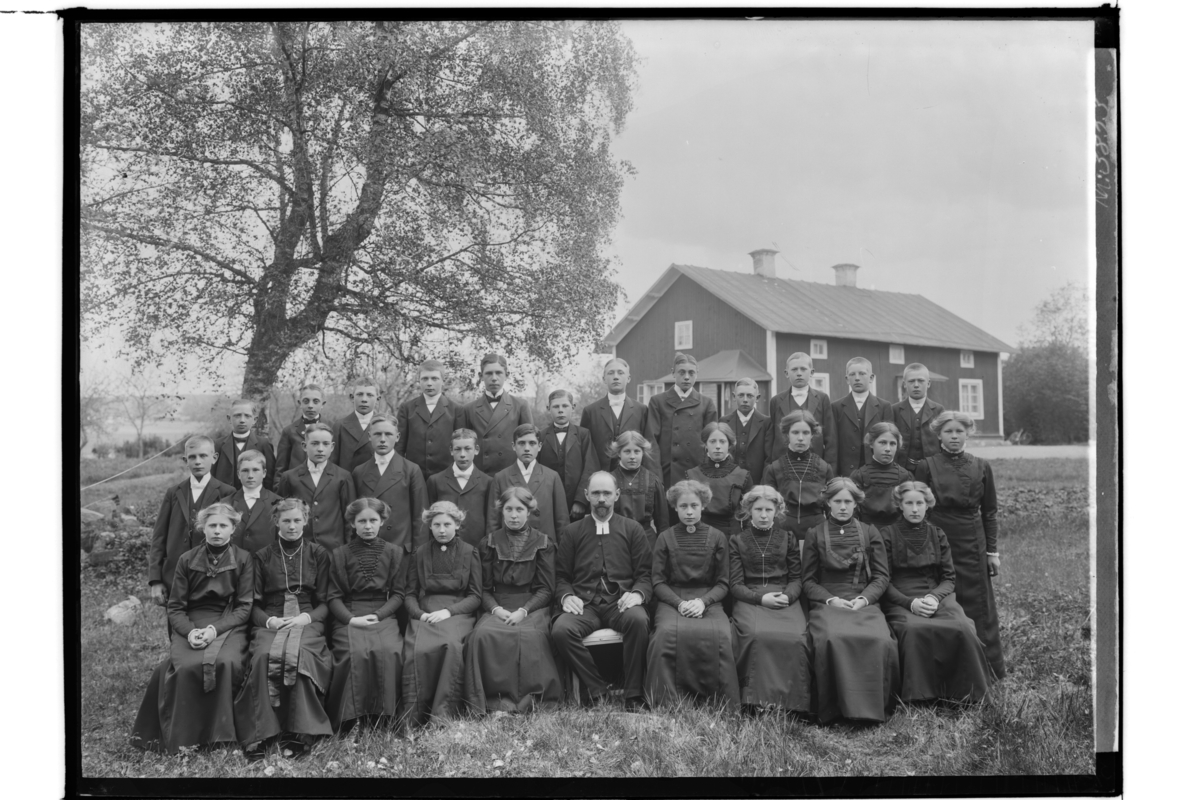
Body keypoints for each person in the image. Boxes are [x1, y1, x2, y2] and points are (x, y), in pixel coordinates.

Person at [130, 503, 253, 753]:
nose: (217, 531)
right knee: (185, 666)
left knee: (226, 662)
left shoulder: (243, 558)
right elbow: (176, 607)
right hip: (192, 621)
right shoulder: (186, 559)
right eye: (212, 525)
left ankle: (221, 736)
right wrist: (190, 632)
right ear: (202, 528)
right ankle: (185, 737)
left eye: (223, 526)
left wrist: (214, 631)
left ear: (233, 529)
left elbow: (244, 607)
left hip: (227, 622)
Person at [234, 498, 334, 759]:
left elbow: (326, 603)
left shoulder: (318, 554)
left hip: (307, 617)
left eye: (297, 520)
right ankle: (262, 731)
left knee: (300, 654)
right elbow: (252, 605)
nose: (292, 526)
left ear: (305, 521)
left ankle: (300, 730)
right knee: (264, 655)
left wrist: (306, 618)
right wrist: (270, 622)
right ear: (276, 521)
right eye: (286, 520)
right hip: (272, 617)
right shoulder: (262, 556)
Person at [879, 482, 993, 703]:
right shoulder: (886, 535)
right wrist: (911, 603)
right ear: (900, 505)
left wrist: (933, 597)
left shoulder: (938, 534)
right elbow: (883, 581)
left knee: (962, 627)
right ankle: (920, 697)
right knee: (913, 629)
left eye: (919, 503)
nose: (915, 509)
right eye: (909, 503)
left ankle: (966, 694)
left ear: (927, 505)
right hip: (901, 598)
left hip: (937, 594)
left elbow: (949, 578)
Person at [913, 411, 1006, 679]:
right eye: (948, 431)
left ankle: (986, 668)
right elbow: (917, 509)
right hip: (937, 538)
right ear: (938, 435)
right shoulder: (926, 466)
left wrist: (992, 552)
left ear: (968, 434)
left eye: (959, 431)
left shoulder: (981, 466)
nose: (954, 436)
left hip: (972, 540)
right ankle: (945, 671)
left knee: (979, 603)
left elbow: (989, 512)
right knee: (940, 597)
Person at [801, 477, 899, 724]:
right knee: (831, 638)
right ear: (828, 503)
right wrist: (830, 600)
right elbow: (808, 581)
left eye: (848, 501)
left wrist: (864, 600)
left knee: (880, 639)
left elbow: (881, 576)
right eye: (837, 501)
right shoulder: (814, 534)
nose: (843, 507)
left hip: (862, 600)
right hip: (828, 602)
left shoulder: (869, 532)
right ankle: (835, 710)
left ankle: (872, 709)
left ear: (856, 503)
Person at [552, 472, 653, 711]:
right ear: (586, 495)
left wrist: (637, 594)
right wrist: (567, 596)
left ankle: (634, 695)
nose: (601, 499)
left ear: (616, 495)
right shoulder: (572, 531)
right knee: (561, 630)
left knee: (638, 620)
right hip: (585, 605)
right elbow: (562, 576)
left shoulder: (633, 529)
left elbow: (645, 575)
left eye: (606, 493)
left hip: (620, 603)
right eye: (596, 493)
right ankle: (597, 690)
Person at [464, 487, 563, 713]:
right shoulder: (488, 542)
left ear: (529, 512)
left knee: (532, 637)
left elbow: (546, 589)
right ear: (502, 511)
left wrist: (524, 611)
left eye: (520, 509)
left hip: (533, 606)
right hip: (497, 604)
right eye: (509, 509)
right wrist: (496, 609)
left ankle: (532, 702)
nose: (514, 515)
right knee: (482, 635)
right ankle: (493, 702)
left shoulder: (543, 543)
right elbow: (482, 588)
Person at [644, 480, 739, 709]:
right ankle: (667, 701)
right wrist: (679, 603)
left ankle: (718, 701)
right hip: (671, 599)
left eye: (694, 506)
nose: (689, 512)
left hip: (709, 600)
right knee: (665, 634)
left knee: (722, 635)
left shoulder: (718, 537)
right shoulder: (665, 537)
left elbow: (723, 583)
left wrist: (703, 602)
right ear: (675, 507)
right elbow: (658, 581)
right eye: (683, 506)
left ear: (703, 506)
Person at [325, 498, 407, 731]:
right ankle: (350, 719)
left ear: (382, 521)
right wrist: (351, 619)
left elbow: (398, 594)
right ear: (353, 523)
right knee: (354, 653)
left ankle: (384, 717)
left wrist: (379, 615)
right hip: (349, 613)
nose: (368, 526)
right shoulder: (340, 554)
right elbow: (333, 596)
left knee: (389, 650)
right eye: (362, 521)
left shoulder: (394, 552)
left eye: (373, 520)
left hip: (383, 613)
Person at [728, 486, 811, 715]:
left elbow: (796, 578)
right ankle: (753, 701)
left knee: (796, 637)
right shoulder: (737, 540)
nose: (763, 515)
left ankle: (792, 704)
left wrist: (787, 596)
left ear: (777, 511)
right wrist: (760, 599)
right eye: (758, 509)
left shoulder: (788, 538)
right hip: (751, 598)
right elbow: (735, 585)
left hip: (784, 597)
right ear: (749, 510)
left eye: (768, 510)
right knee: (755, 635)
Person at [402, 502, 482, 725]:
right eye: (436, 525)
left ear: (457, 524)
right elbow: (410, 594)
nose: (442, 530)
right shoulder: (420, 553)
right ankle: (415, 716)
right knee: (417, 650)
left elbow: (475, 596)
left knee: (451, 646)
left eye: (447, 524)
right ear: (430, 526)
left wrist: (449, 612)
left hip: (458, 612)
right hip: (426, 612)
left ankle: (444, 713)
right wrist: (419, 614)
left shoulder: (469, 552)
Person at [147, 435, 236, 608]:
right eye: (192, 457)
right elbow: (159, 537)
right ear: (185, 460)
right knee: (176, 622)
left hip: (211, 578)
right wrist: (156, 580)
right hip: (174, 577)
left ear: (214, 458)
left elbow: (231, 538)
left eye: (203, 456)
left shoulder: (226, 492)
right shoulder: (173, 492)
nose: (198, 461)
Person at [351, 414, 428, 554]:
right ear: (369, 436)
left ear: (397, 437)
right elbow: (354, 515)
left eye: (388, 434)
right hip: (367, 550)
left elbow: (420, 517)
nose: (382, 439)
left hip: (401, 549)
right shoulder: (359, 472)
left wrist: (418, 553)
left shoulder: (411, 470)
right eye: (377, 434)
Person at [276, 423, 357, 552]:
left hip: (333, 550)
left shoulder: (343, 477)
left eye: (325, 444)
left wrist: (347, 551)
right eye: (314, 443)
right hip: (299, 549)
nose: (320, 449)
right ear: (304, 446)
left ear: (332, 447)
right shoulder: (289, 477)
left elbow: (350, 518)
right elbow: (281, 515)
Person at [485, 424, 570, 544]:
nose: (526, 448)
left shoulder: (552, 477)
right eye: (521, 443)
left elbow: (562, 521)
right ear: (513, 446)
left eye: (532, 443)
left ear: (539, 446)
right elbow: (493, 521)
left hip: (544, 547)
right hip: (510, 547)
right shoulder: (501, 478)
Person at [648, 352, 718, 489]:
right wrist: (656, 474)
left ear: (697, 374)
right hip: (666, 473)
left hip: (696, 473)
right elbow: (651, 441)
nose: (686, 377)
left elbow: (712, 443)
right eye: (682, 372)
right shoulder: (658, 402)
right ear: (673, 373)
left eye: (691, 373)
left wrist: (707, 474)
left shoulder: (707, 403)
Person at [762, 410, 835, 538]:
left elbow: (831, 507)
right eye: (795, 432)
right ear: (787, 434)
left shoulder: (824, 468)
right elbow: (767, 505)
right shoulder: (774, 468)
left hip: (817, 531)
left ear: (812, 435)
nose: (800, 438)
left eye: (805, 433)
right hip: (782, 530)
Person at [579, 357, 656, 474]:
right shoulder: (590, 411)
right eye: (611, 373)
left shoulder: (642, 410)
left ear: (628, 378)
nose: (615, 377)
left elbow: (647, 447)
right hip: (600, 476)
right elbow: (585, 449)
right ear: (604, 379)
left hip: (632, 476)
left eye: (620, 373)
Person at [464, 353, 534, 476]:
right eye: (489, 373)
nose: (494, 378)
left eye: (498, 373)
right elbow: (463, 446)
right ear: (481, 376)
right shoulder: (469, 409)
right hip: (479, 476)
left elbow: (529, 444)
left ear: (507, 375)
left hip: (511, 475)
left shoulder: (520, 405)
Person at [397, 359, 467, 481]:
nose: (429, 383)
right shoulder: (407, 408)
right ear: (419, 380)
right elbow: (399, 447)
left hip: (446, 477)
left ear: (443, 381)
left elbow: (460, 446)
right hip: (413, 477)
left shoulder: (456, 410)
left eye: (434, 379)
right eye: (425, 379)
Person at [538, 389, 601, 522]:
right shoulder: (540, 436)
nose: (560, 410)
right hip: (547, 503)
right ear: (548, 408)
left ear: (573, 407)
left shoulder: (583, 435)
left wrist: (581, 501)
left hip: (575, 506)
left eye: (565, 406)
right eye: (556, 406)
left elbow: (590, 468)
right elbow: (536, 471)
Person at [425, 429, 493, 549]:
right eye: (457, 449)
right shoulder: (435, 481)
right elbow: (430, 519)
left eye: (467, 449)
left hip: (477, 548)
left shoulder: (487, 482)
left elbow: (490, 520)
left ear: (476, 450)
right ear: (451, 450)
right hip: (443, 547)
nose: (462, 454)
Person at [685, 421, 753, 539]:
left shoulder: (742, 475)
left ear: (730, 445)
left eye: (722, 441)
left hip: (732, 538)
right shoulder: (692, 475)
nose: (717, 446)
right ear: (705, 444)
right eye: (712, 441)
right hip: (699, 537)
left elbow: (750, 514)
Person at [767, 352, 836, 466]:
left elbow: (830, 438)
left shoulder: (822, 399)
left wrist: (829, 469)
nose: (799, 373)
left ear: (811, 372)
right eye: (794, 369)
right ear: (786, 373)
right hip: (783, 465)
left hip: (814, 465)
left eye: (803, 369)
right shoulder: (776, 401)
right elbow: (772, 437)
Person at [831, 358, 893, 477]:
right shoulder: (836, 407)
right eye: (852, 374)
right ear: (847, 379)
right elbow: (833, 444)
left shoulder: (884, 407)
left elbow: (889, 441)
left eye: (862, 373)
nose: (857, 378)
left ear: (871, 378)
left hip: (875, 472)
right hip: (845, 473)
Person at [607, 431, 668, 549]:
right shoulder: (609, 480)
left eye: (637, 451)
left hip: (646, 542)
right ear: (619, 452)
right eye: (627, 451)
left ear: (643, 452)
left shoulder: (653, 481)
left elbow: (662, 522)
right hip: (616, 540)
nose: (632, 456)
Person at [848, 422, 913, 529]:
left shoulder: (905, 477)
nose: (887, 448)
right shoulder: (859, 476)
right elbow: (852, 511)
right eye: (882, 442)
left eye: (892, 444)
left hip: (897, 532)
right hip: (867, 531)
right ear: (871, 443)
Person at [212, 398, 277, 491]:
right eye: (237, 416)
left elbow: (269, 478)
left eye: (247, 416)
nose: (242, 420)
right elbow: (212, 476)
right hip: (224, 497)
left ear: (254, 420)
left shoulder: (263, 444)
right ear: (229, 418)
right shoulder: (217, 445)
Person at [891, 363, 945, 472]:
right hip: (901, 468)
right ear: (904, 384)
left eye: (921, 381)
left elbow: (943, 442)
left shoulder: (938, 410)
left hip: (931, 469)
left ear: (928, 383)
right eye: (911, 381)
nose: (916, 385)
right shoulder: (894, 410)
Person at [275, 384, 327, 491]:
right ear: (300, 403)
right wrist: (278, 492)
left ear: (323, 404)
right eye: (306, 401)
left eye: (315, 401)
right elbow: (280, 468)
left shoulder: (332, 428)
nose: (310, 406)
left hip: (325, 488)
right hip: (296, 489)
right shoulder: (289, 431)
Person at [229, 449, 282, 554]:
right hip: (236, 561)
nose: (250, 475)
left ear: (264, 473)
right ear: (238, 474)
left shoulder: (278, 503)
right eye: (245, 470)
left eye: (255, 470)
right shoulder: (227, 503)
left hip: (267, 561)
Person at [719, 378, 772, 484]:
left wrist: (763, 484)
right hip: (729, 482)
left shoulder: (767, 423)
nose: (745, 400)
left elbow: (769, 458)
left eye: (750, 396)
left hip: (757, 483)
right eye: (741, 395)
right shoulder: (724, 421)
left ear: (757, 398)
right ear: (734, 396)